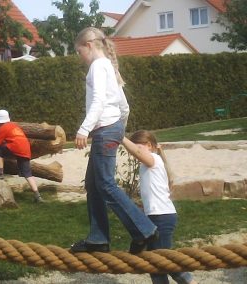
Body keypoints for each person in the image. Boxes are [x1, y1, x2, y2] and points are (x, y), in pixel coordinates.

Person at [70, 27, 158, 254]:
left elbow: (99, 101)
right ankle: (98, 239)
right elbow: (124, 105)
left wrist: (84, 129)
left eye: (79, 52)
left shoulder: (97, 67)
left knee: (106, 184)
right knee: (93, 183)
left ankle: (144, 230)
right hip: (112, 128)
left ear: (88, 45)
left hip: (104, 130)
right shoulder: (109, 66)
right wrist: (120, 128)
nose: (80, 58)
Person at [122, 130, 197, 284]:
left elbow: (137, 152)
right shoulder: (147, 164)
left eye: (138, 148)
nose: (135, 153)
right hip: (156, 216)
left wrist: (120, 136)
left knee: (163, 261)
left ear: (149, 146)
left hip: (162, 217)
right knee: (156, 263)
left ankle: (189, 281)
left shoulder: (154, 159)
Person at [0, 109, 44, 203]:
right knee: (28, 174)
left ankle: (0, 172)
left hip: (16, 148)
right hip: (26, 150)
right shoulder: (14, 126)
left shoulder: (3, 128)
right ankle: (38, 196)